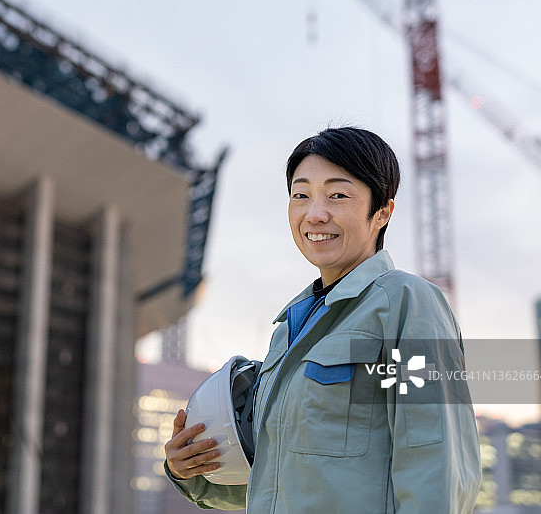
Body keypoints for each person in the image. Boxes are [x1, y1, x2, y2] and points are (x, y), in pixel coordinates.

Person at [164, 127, 482, 512]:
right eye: (301, 195)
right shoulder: (288, 331)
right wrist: (190, 471)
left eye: (338, 195)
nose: (315, 214)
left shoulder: (407, 304)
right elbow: (278, 480)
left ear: (381, 212)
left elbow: (438, 466)